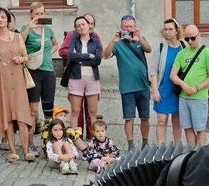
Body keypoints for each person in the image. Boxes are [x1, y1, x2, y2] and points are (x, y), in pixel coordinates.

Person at [0, 7, 34, 163]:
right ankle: (13, 151)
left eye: (3, 17)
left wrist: (21, 59)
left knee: (22, 118)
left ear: (8, 20)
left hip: (18, 82)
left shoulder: (18, 37)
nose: (1, 20)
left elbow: (27, 57)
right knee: (8, 119)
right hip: (1, 83)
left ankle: (26, 151)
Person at [103, 14, 153, 150]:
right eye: (126, 27)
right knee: (129, 118)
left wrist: (140, 38)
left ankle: (145, 142)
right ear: (121, 27)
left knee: (145, 117)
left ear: (135, 27)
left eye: (131, 26)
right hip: (127, 87)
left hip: (143, 86)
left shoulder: (139, 40)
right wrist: (113, 41)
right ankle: (131, 145)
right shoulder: (118, 43)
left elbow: (149, 49)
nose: (129, 29)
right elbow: (105, 55)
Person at [171, 24, 209, 146]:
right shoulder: (182, 53)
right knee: (187, 128)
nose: (190, 41)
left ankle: (200, 154)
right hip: (184, 97)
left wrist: (197, 88)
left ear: (199, 35)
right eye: (186, 39)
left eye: (192, 38)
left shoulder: (207, 52)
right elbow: (173, 75)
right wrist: (183, 85)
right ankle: (191, 153)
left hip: (199, 98)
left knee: (200, 129)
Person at [21, 2, 58, 123]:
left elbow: (56, 45)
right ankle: (34, 128)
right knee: (33, 108)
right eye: (37, 13)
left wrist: (45, 55)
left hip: (48, 71)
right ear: (31, 14)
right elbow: (19, 43)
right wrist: (28, 28)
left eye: (42, 13)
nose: (39, 16)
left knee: (48, 107)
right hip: (33, 72)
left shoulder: (48, 29)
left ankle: (48, 134)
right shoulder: (26, 28)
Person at [66, 15, 103, 131]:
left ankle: (94, 139)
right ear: (76, 29)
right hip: (76, 78)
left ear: (88, 25)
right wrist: (87, 56)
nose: (81, 27)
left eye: (83, 24)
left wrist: (80, 61)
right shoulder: (73, 40)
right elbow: (71, 55)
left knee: (92, 111)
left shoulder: (96, 41)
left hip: (92, 79)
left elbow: (97, 60)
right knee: (75, 110)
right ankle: (73, 138)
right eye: (78, 26)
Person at [151, 18, 184, 144]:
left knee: (177, 121)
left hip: (178, 91)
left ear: (177, 31)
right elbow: (153, 72)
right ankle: (161, 149)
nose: (167, 32)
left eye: (170, 29)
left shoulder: (184, 47)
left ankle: (177, 148)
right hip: (163, 90)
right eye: (165, 29)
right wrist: (155, 91)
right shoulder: (161, 48)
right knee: (161, 120)